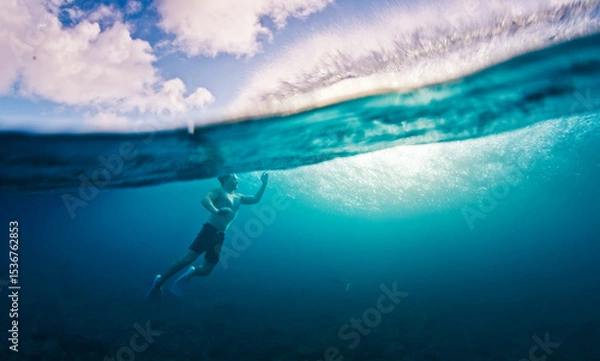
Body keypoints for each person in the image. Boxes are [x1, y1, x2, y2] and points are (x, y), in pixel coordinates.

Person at [145, 172, 269, 300]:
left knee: (206, 271)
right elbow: (205, 200)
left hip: (220, 236)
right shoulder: (218, 191)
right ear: (226, 180)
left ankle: (191, 272)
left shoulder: (239, 197)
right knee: (188, 259)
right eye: (235, 179)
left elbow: (255, 199)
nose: (238, 182)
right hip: (209, 231)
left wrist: (264, 184)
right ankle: (159, 281)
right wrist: (216, 211)